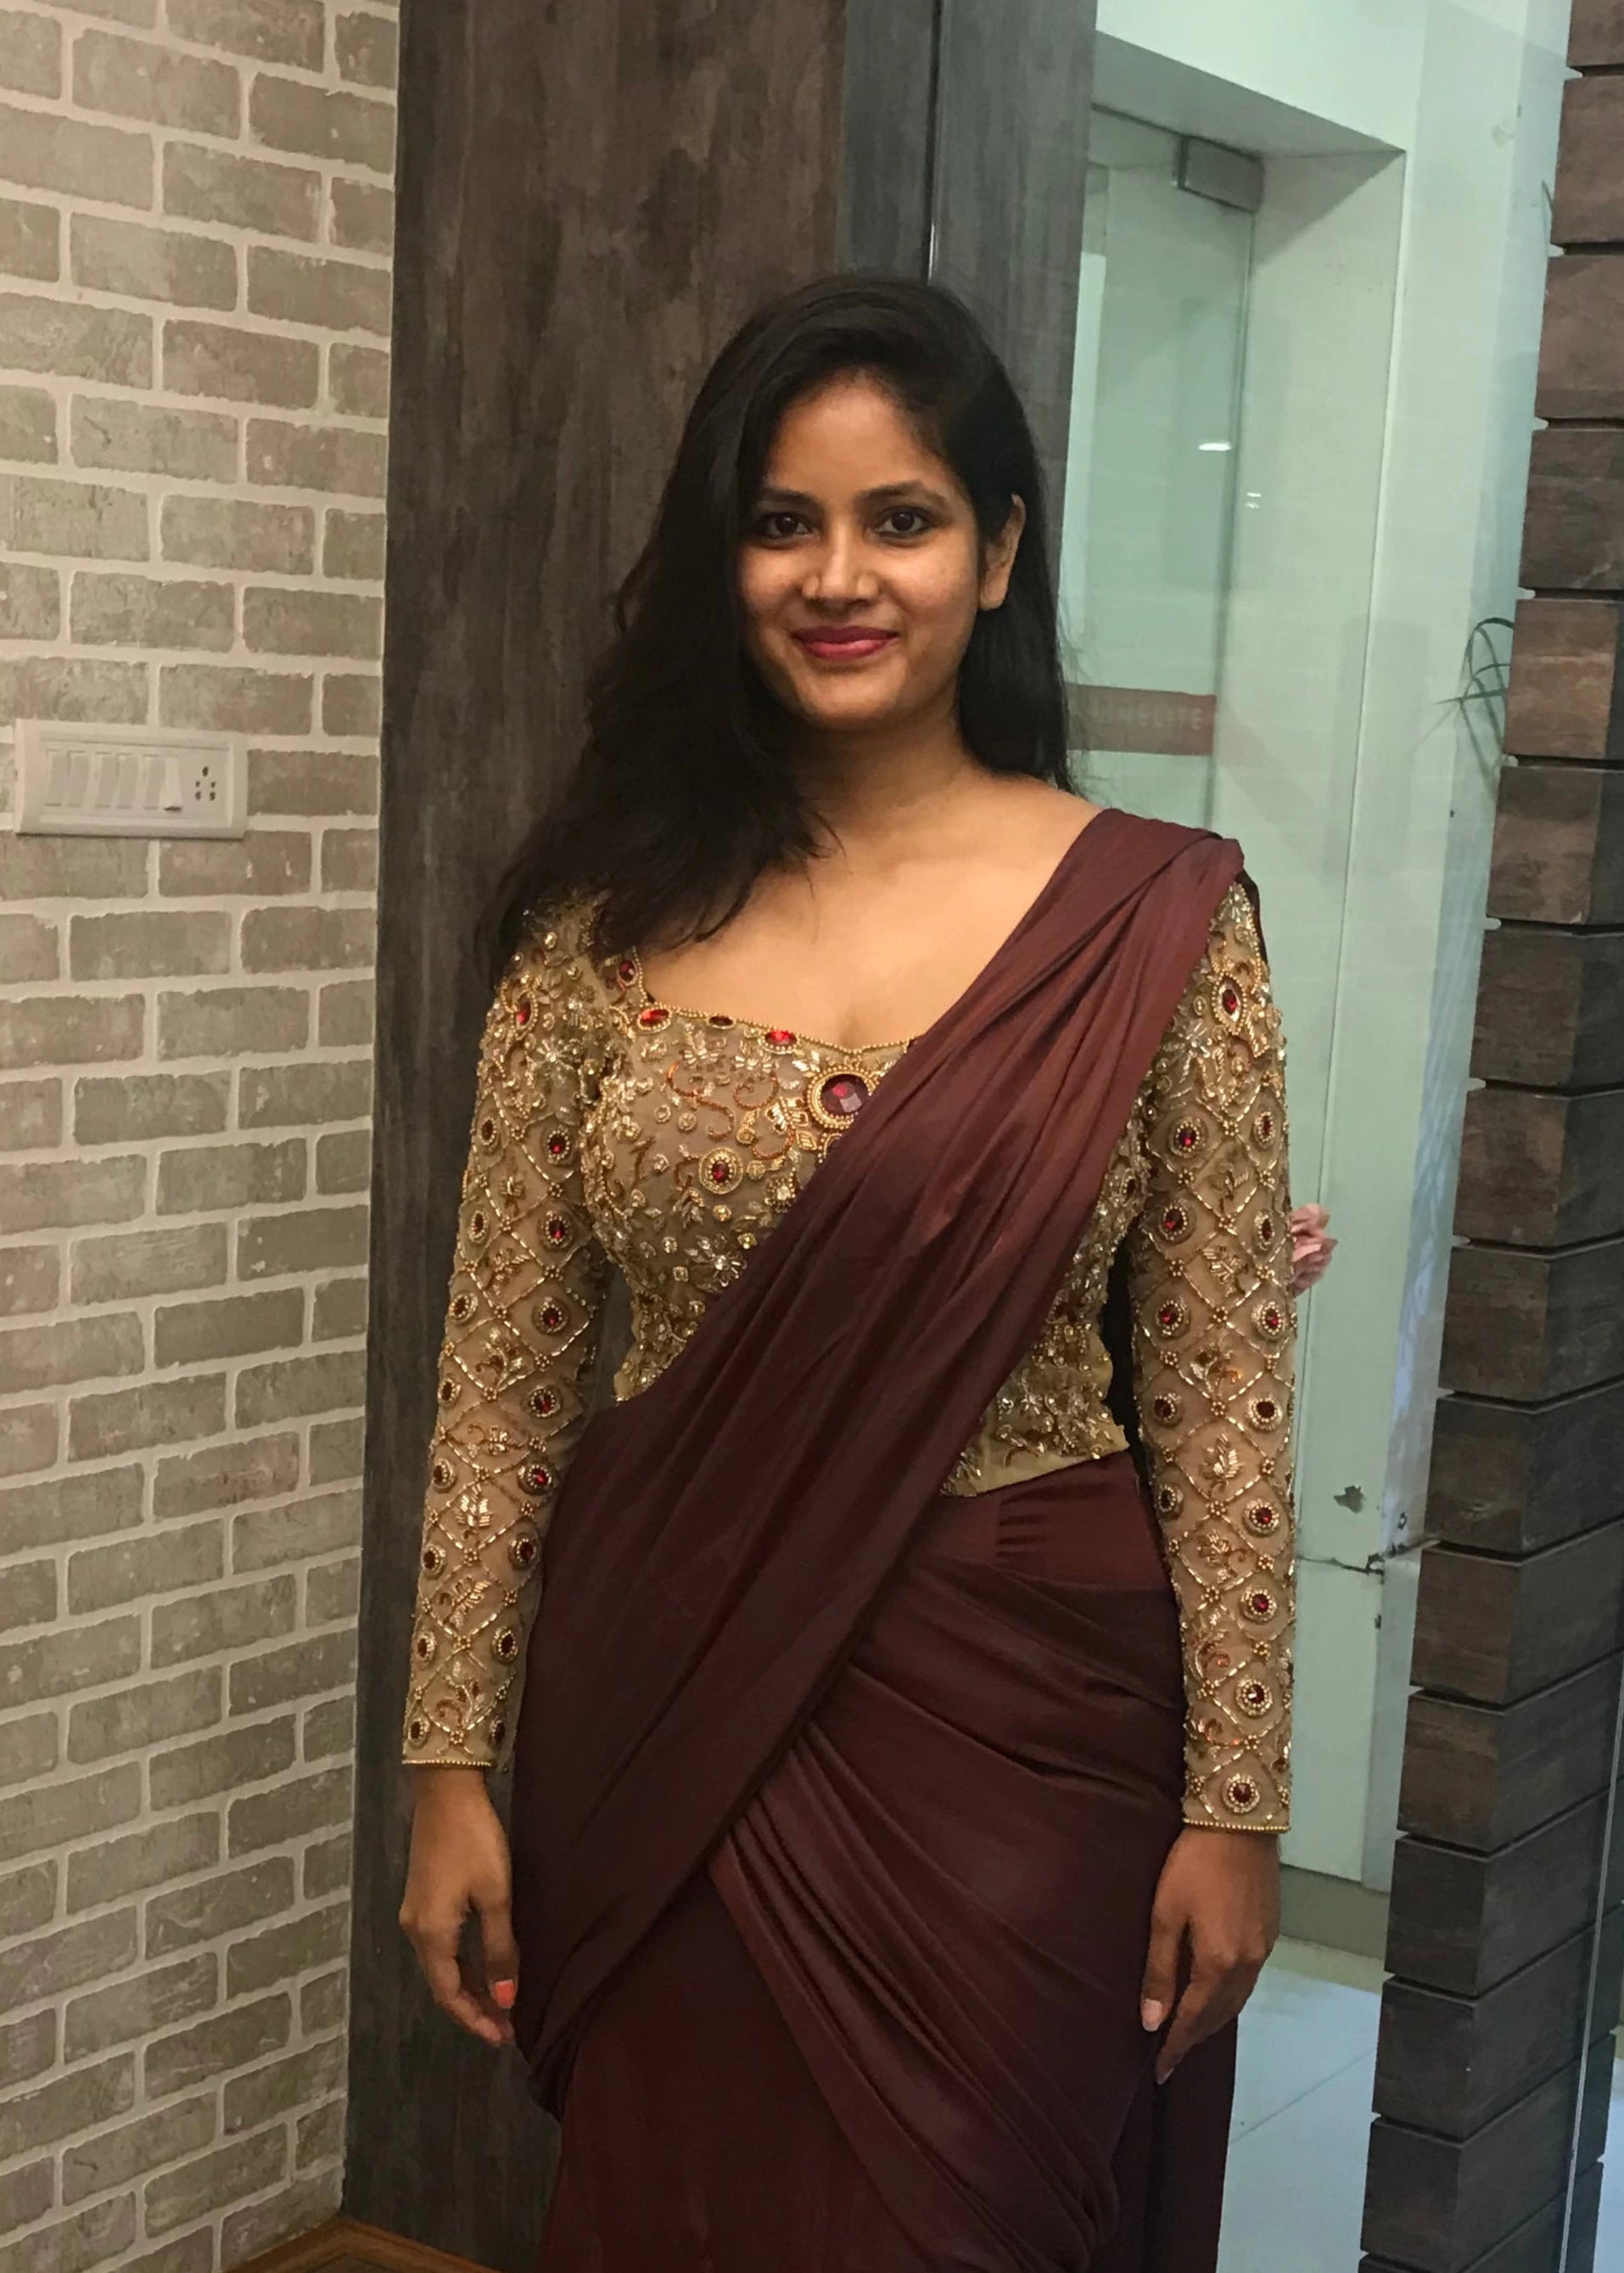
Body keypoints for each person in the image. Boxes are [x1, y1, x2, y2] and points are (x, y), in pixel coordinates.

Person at [398, 274, 1323, 2272]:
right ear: (723, 559)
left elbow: (1225, 1400)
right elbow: (501, 1374)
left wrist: (1239, 1801)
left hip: (1025, 1733)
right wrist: (452, 1764)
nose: (839, 575)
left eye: (900, 518)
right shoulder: (600, 927)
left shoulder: (1163, 922)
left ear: (996, 551)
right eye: (781, 521)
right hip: (667, 1694)